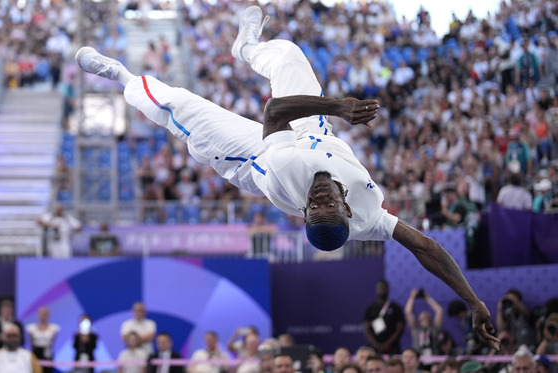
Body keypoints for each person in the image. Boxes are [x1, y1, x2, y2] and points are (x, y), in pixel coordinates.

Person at [75, 5, 499, 351]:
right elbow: (426, 248)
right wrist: (473, 300)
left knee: (179, 105)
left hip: (252, 154)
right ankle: (246, 47)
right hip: (314, 134)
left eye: (313, 207)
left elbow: (273, 114)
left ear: (304, 214)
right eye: (326, 203)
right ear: (347, 208)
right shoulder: (369, 217)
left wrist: (339, 106)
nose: (317, 198)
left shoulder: (289, 176)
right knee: (290, 55)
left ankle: (121, 76)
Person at [363, 279, 405, 354]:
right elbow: (366, 329)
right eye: (380, 288)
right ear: (376, 290)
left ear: (388, 290)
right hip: (373, 346)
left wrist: (387, 344)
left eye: (384, 288)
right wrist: (376, 345)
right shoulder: (370, 308)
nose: (382, 290)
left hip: (392, 347)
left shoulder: (396, 308)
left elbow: (399, 329)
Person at [404, 288, 443, 356]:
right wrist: (412, 297)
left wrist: (427, 298)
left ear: (431, 319)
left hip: (433, 358)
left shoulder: (434, 328)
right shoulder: (415, 330)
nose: (424, 316)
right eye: (422, 318)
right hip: (418, 359)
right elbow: (408, 312)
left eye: (426, 317)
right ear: (419, 321)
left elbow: (439, 311)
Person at [25, 306, 60, 373]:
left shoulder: (54, 328)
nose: (43, 316)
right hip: (36, 354)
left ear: (48, 315)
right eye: (41, 313)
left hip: (48, 355)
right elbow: (31, 343)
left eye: (45, 314)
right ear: (38, 314)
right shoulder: (31, 328)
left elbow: (52, 343)